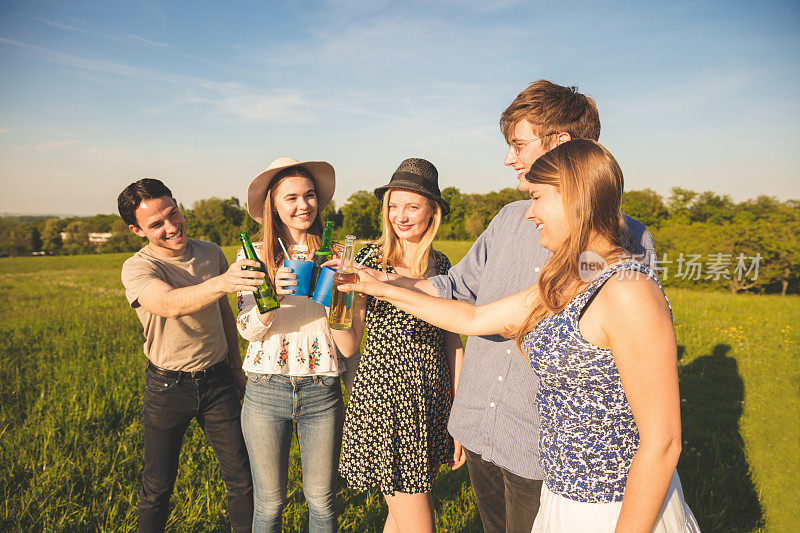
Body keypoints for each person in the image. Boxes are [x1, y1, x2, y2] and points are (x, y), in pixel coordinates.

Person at [338, 139, 700, 532]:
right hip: (560, 494)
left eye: (538, 198)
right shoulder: (569, 278)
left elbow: (663, 443)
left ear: (574, 199)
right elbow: (473, 318)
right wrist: (382, 287)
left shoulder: (629, 289)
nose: (529, 214)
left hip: (610, 506)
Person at [330, 158, 465, 533]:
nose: (400, 216)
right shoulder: (369, 259)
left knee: (400, 518)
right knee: (419, 524)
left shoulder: (442, 265)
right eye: (393, 206)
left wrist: (461, 411)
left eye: (411, 206)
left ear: (432, 212)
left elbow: (453, 339)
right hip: (386, 400)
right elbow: (349, 344)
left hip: (431, 399)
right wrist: (336, 300)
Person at [118, 178, 256, 533]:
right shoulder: (138, 268)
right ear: (137, 230)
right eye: (156, 224)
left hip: (219, 382)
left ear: (178, 205)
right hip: (167, 387)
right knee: (157, 488)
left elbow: (224, 313)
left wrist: (236, 368)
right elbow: (167, 304)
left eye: (172, 213)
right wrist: (224, 281)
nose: (171, 226)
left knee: (242, 479)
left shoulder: (210, 252)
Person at [235, 157, 347, 533]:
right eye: (292, 197)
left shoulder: (335, 255)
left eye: (310, 195)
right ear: (274, 205)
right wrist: (272, 297)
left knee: (322, 501)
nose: (304, 205)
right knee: (269, 504)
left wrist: (342, 290)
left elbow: (350, 326)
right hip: (266, 390)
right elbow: (247, 329)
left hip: (322, 389)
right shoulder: (252, 255)